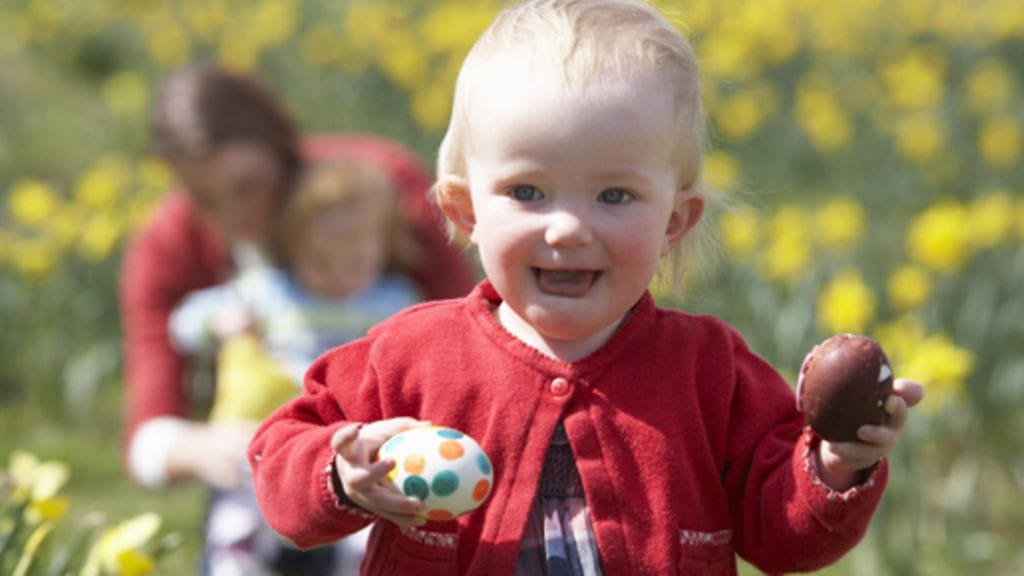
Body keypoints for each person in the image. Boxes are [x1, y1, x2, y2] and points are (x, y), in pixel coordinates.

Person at [248, 1, 925, 574]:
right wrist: (344, 474)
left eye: (614, 194)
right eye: (527, 191)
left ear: (674, 221)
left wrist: (835, 466)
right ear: (464, 211)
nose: (568, 228)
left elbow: (786, 536)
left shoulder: (710, 371)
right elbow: (281, 462)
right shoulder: (411, 352)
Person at [119, 63, 475, 572]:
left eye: (246, 186)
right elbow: (147, 431)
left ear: (280, 148)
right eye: (204, 198)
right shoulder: (170, 244)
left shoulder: (373, 193)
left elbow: (464, 337)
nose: (232, 215)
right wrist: (204, 445)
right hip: (253, 474)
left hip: (379, 460)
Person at [169, 159, 421, 574]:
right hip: (270, 430)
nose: (339, 277)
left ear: (384, 246)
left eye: (355, 261)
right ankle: (236, 554)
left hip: (350, 432)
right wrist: (221, 321)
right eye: (322, 264)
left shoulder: (392, 300)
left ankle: (362, 560)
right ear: (294, 249)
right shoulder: (273, 293)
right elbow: (183, 324)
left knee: (374, 496)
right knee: (241, 486)